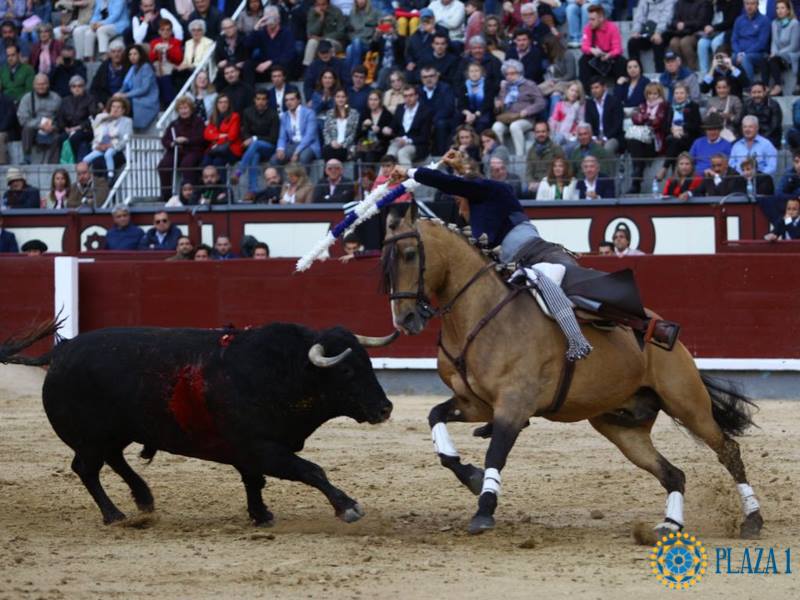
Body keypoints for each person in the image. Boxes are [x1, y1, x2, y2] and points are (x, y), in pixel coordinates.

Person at [491, 58, 545, 157]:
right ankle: (501, 155)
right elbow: (499, 107)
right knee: (496, 127)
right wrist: (498, 105)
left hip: (526, 118)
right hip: (507, 118)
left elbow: (541, 103)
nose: (509, 76)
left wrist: (527, 111)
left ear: (520, 73)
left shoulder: (529, 85)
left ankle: (520, 157)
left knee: (515, 126)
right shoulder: (505, 87)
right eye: (507, 74)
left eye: (512, 73)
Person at [233, 90, 280, 198]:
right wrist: (250, 140)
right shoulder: (247, 112)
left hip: (269, 147)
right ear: (254, 100)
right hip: (253, 148)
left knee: (256, 144)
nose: (260, 102)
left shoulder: (273, 114)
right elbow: (245, 132)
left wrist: (254, 138)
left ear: (267, 101)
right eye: (258, 99)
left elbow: (273, 138)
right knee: (255, 154)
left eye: (263, 99)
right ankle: (253, 190)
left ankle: (239, 172)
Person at [158, 96, 206, 201]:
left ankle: (190, 195)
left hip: (193, 150)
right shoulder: (174, 124)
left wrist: (187, 140)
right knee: (163, 165)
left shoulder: (198, 122)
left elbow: (201, 138)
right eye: (181, 108)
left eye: (186, 108)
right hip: (176, 150)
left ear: (191, 109)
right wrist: (172, 143)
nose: (183, 111)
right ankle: (166, 195)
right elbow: (165, 139)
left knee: (187, 164)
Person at [626, 82, 669, 194]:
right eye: (650, 94)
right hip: (642, 140)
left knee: (636, 148)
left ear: (660, 94)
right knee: (633, 141)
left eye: (655, 94)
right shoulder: (643, 105)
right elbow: (635, 119)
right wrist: (648, 118)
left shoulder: (664, 106)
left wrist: (644, 117)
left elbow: (657, 122)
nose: (652, 96)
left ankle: (636, 180)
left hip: (656, 142)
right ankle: (637, 176)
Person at [82, 95, 132, 180]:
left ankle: (110, 180)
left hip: (119, 151)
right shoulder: (105, 119)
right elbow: (97, 135)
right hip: (103, 149)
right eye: (113, 107)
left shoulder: (127, 121)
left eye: (118, 107)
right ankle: (94, 182)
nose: (115, 109)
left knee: (104, 159)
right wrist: (97, 146)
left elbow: (126, 140)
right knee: (94, 160)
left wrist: (112, 146)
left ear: (123, 110)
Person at [659, 83, 702, 179]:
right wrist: (672, 130)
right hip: (673, 137)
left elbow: (697, 126)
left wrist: (682, 128)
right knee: (675, 141)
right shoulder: (670, 107)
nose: (679, 95)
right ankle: (674, 176)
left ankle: (665, 168)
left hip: (689, 137)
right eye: (676, 93)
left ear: (687, 94)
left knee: (675, 141)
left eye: (682, 93)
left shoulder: (693, 106)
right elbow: (665, 127)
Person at [16, 73, 61, 164]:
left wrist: (53, 126)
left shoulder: (56, 98)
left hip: (51, 129)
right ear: (34, 85)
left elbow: (61, 117)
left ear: (48, 84)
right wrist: (39, 125)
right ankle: (27, 158)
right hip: (34, 129)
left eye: (44, 84)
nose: (41, 87)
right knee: (27, 129)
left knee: (58, 137)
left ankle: (53, 164)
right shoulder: (26, 98)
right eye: (38, 84)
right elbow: (22, 119)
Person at [244, 8, 297, 85]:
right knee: (248, 64)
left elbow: (289, 54)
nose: (271, 21)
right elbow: (247, 44)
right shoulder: (261, 32)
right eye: (268, 18)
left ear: (278, 19)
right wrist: (256, 27)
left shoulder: (286, 32)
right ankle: (249, 91)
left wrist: (270, 62)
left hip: (279, 64)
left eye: (273, 18)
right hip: (264, 66)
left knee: (285, 63)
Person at [577, 5, 624, 89]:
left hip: (609, 58)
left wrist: (609, 55)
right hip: (595, 58)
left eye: (593, 19)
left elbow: (618, 49)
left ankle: (619, 91)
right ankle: (586, 91)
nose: (590, 22)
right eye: (589, 19)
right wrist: (591, 50)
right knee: (583, 61)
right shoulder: (588, 28)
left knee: (621, 61)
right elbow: (584, 46)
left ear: (601, 18)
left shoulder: (612, 28)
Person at [386, 85, 433, 165]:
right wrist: (389, 129)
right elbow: (393, 125)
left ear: (416, 96)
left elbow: (425, 137)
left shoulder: (425, 111)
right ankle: (386, 174)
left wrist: (407, 141)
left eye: (411, 95)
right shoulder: (400, 108)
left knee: (402, 153)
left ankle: (407, 174)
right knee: (390, 155)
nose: (408, 98)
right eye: (405, 96)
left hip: (417, 145)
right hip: (400, 142)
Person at [55, 74, 96, 162]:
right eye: (74, 86)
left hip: (85, 130)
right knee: (61, 138)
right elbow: (60, 117)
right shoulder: (65, 100)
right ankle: (62, 162)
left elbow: (93, 117)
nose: (77, 88)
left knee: (75, 138)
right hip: (69, 129)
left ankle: (77, 161)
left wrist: (79, 127)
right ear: (70, 88)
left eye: (80, 86)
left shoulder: (90, 99)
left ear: (84, 87)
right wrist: (65, 128)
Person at [273, 89, 320, 165]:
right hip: (292, 145)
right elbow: (282, 137)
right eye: (286, 100)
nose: (289, 102)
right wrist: (280, 149)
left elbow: (309, 136)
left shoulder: (309, 113)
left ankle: (304, 174)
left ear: (299, 101)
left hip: (309, 145)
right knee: (275, 159)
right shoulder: (284, 116)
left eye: (292, 99)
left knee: (303, 157)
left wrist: (297, 151)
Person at [627, 0, 675, 73]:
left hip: (665, 30)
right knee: (632, 42)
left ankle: (660, 73)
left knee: (657, 42)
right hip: (648, 30)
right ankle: (637, 73)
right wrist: (636, 31)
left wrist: (658, 32)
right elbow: (639, 16)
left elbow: (667, 17)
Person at [418, 65, 456, 156]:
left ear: (437, 76)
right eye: (425, 77)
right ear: (421, 79)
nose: (428, 79)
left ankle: (441, 155)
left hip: (442, 120)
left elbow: (448, 108)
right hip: (425, 121)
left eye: (431, 76)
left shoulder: (446, 88)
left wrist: (432, 120)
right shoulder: (418, 91)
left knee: (440, 124)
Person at [119, 44, 159, 131]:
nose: (132, 56)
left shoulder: (146, 67)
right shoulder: (132, 68)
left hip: (146, 99)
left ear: (140, 55)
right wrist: (118, 94)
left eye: (135, 54)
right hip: (135, 96)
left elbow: (144, 89)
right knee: (117, 101)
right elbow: (126, 85)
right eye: (130, 54)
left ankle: (129, 128)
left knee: (128, 102)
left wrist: (125, 95)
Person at [765, 0, 800, 96]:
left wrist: (777, 53)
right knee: (765, 59)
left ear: (788, 10)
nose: (779, 11)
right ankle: (766, 87)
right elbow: (774, 42)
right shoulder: (774, 23)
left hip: (791, 54)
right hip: (779, 55)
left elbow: (794, 46)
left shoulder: (794, 23)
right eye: (777, 8)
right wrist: (773, 52)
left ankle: (778, 86)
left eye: (782, 8)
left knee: (773, 59)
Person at [697, 0, 742, 75]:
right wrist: (706, 26)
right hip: (711, 32)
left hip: (725, 31)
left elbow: (730, 22)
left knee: (715, 43)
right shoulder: (708, 4)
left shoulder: (729, 3)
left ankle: (719, 72)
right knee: (701, 43)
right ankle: (704, 73)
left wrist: (714, 27)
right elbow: (704, 20)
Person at [202, 93, 242, 174]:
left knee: (218, 162)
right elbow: (206, 135)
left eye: (225, 102)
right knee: (205, 162)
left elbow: (232, 136)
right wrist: (220, 136)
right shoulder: (213, 117)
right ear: (216, 105)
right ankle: (208, 181)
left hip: (230, 149)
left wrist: (215, 138)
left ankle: (221, 182)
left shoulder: (235, 116)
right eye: (220, 102)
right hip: (215, 149)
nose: (223, 105)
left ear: (229, 104)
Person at [667, 0, 713, 71]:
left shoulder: (703, 3)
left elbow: (702, 22)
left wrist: (685, 24)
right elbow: (673, 20)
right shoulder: (679, 3)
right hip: (681, 33)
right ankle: (679, 70)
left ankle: (692, 70)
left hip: (696, 33)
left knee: (685, 42)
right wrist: (677, 24)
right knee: (673, 42)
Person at [731, 0, 770, 83]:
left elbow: (761, 43)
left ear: (757, 5)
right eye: (747, 3)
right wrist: (738, 53)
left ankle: (749, 86)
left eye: (752, 3)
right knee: (728, 59)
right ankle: (732, 86)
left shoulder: (764, 20)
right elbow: (734, 40)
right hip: (739, 52)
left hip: (758, 53)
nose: (749, 6)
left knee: (745, 58)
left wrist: (744, 53)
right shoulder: (739, 20)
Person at [584, 77, 622, 155]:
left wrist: (604, 139)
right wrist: (594, 138)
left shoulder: (614, 101)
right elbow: (588, 122)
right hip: (595, 136)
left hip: (611, 136)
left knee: (606, 149)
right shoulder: (589, 103)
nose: (594, 90)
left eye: (596, 87)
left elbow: (617, 125)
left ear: (604, 87)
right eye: (592, 88)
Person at [148, 19, 183, 107]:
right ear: (159, 31)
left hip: (171, 67)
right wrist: (155, 50)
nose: (165, 32)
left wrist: (168, 51)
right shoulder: (154, 42)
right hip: (157, 67)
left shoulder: (176, 42)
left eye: (168, 30)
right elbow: (150, 59)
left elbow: (178, 59)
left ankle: (169, 103)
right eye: (162, 29)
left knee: (164, 76)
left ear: (171, 31)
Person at [304, 0, 348, 67]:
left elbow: (340, 33)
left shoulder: (337, 12)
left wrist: (322, 38)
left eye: (323, 4)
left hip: (336, 42)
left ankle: (331, 69)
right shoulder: (312, 12)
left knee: (327, 43)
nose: (321, 7)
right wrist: (321, 19)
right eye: (318, 4)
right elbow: (310, 33)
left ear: (328, 4)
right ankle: (307, 68)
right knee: (312, 42)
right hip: (318, 41)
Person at [456, 62, 495, 135]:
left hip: (483, 112)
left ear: (482, 72)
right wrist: (468, 114)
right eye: (471, 71)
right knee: (457, 119)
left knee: (481, 124)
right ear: (468, 73)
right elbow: (461, 104)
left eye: (477, 71)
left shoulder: (488, 84)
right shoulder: (464, 85)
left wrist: (475, 115)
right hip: (468, 113)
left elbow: (488, 103)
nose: (474, 73)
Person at [526, 120, 564, 194]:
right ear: (534, 134)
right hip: (535, 183)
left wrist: (545, 184)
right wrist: (531, 182)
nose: (541, 134)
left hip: (552, 182)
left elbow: (562, 169)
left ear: (548, 133)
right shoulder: (531, 150)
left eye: (543, 131)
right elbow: (529, 171)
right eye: (538, 132)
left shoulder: (556, 148)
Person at [741, 82, 783, 149]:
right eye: (754, 92)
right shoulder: (746, 104)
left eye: (759, 92)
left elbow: (775, 126)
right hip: (750, 134)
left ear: (765, 92)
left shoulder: (773, 104)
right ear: (750, 93)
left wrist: (759, 138)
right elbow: (741, 121)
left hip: (770, 135)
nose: (756, 95)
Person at [89, 39, 128, 108]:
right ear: (109, 54)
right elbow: (94, 88)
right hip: (106, 101)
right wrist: (98, 102)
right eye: (113, 52)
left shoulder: (128, 66)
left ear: (123, 53)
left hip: (124, 100)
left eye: (119, 51)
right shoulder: (104, 66)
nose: (116, 54)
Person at [356, 89, 392, 164]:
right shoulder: (365, 113)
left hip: (380, 145)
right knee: (359, 154)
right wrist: (363, 127)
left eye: (375, 100)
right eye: (370, 99)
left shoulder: (387, 115)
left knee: (370, 154)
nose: (372, 102)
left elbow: (390, 136)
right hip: (366, 144)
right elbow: (357, 135)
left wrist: (379, 131)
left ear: (380, 101)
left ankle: (368, 172)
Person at [346, 0, 380, 75]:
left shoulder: (375, 12)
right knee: (349, 48)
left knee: (353, 46)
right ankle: (351, 74)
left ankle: (355, 73)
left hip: (369, 43)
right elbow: (349, 31)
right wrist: (353, 38)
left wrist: (374, 37)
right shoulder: (352, 13)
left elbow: (380, 26)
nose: (361, 1)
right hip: (356, 42)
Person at [369, 16, 405, 90]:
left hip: (396, 66)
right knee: (383, 71)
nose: (386, 28)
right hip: (382, 66)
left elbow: (402, 50)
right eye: (384, 26)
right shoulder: (381, 39)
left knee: (385, 72)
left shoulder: (400, 38)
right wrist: (376, 34)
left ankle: (378, 88)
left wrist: (394, 35)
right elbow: (372, 49)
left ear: (393, 27)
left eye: (389, 26)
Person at [175, 19, 214, 85]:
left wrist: (188, 66)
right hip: (189, 72)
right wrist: (179, 67)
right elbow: (185, 61)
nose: (196, 32)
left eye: (199, 30)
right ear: (190, 32)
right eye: (193, 30)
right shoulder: (188, 43)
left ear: (203, 31)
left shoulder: (209, 43)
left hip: (203, 72)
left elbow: (205, 63)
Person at [548, 80, 584, 148]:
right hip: (559, 135)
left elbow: (581, 123)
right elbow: (554, 122)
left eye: (576, 92)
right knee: (558, 138)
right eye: (572, 90)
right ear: (567, 91)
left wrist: (574, 109)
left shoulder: (580, 107)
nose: (573, 93)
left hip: (572, 137)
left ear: (579, 94)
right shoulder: (560, 105)